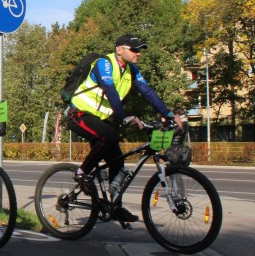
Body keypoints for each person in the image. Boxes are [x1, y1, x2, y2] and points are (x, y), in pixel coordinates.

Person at [66, 33, 183, 222]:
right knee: (109, 136)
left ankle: (115, 208)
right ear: (119, 49)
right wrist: (124, 116)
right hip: (79, 114)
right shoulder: (104, 64)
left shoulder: (132, 70)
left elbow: (147, 92)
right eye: (134, 49)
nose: (138, 53)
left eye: (140, 49)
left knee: (118, 163)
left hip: (99, 119)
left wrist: (167, 114)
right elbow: (110, 90)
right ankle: (81, 173)